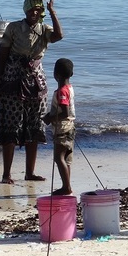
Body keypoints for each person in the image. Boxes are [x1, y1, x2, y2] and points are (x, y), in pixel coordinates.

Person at [0, 0, 63, 185]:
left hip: (36, 81)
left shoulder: (44, 29)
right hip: (12, 79)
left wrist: (52, 11)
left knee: (35, 125)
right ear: (25, 10)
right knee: (11, 126)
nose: (34, 12)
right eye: (32, 9)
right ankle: (6, 173)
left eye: (38, 10)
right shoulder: (14, 28)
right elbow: (2, 57)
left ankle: (29, 172)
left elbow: (59, 36)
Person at [43, 58, 76, 195]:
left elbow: (64, 112)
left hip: (62, 127)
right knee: (66, 158)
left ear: (56, 74)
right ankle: (67, 185)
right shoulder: (69, 88)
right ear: (71, 74)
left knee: (58, 157)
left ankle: (66, 187)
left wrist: (49, 118)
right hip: (70, 127)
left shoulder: (62, 91)